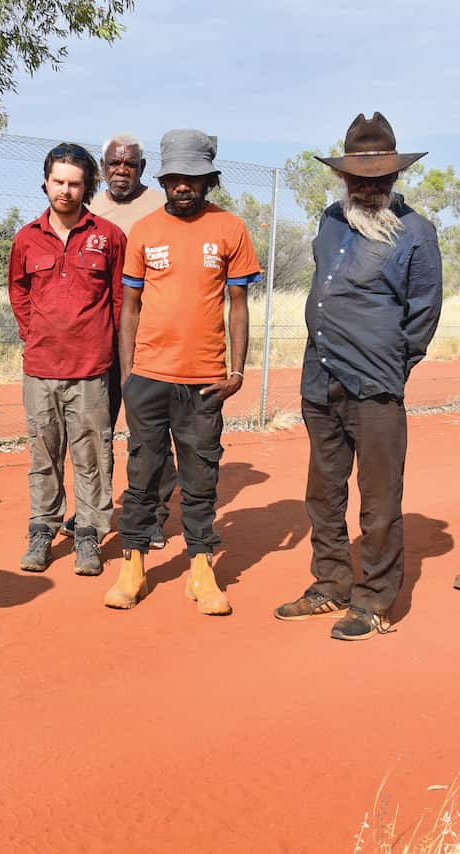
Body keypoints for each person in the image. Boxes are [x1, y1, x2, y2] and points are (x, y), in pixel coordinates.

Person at [274, 112, 442, 640]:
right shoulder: (330, 220)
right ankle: (330, 584)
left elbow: (424, 313)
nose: (369, 188)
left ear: (395, 179)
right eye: (359, 178)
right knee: (323, 495)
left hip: (375, 388)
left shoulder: (415, 231)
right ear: (344, 178)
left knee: (379, 499)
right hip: (319, 379)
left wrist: (391, 360)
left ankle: (372, 601)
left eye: (380, 179)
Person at [104, 129, 260, 615]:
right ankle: (133, 566)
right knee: (142, 472)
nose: (183, 187)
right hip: (149, 376)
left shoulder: (230, 228)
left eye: (193, 178)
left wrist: (237, 370)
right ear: (164, 179)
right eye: (174, 178)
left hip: (206, 379)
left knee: (200, 476)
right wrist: (130, 374)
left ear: (209, 180)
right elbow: (129, 306)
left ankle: (200, 569)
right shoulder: (145, 231)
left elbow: (238, 305)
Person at [7, 143, 125, 575]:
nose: (66, 190)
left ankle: (90, 536)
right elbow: (18, 290)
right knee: (44, 455)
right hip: (40, 369)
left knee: (93, 456)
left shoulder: (109, 237)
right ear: (45, 183)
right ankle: (42, 530)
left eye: (75, 183)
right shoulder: (26, 238)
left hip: (92, 370)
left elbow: (120, 298)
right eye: (58, 182)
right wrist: (33, 332)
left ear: (87, 187)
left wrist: (106, 346)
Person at [88, 132, 176, 549]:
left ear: (142, 168)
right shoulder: (90, 206)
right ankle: (94, 508)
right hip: (98, 338)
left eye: (130, 164)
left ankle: (153, 514)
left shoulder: (160, 207)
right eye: (113, 163)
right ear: (103, 166)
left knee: (148, 432)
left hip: (149, 340)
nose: (121, 171)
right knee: (94, 428)